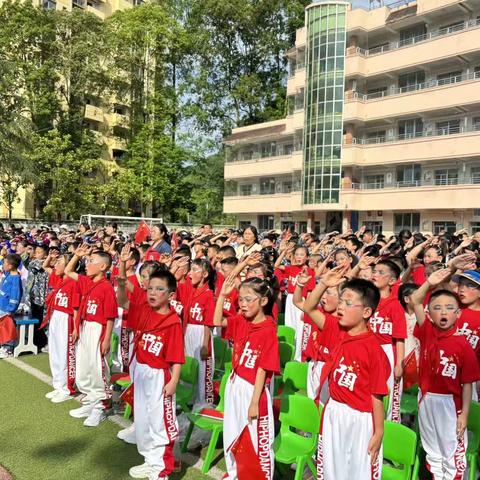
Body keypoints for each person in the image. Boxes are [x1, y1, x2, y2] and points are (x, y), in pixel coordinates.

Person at [316, 279, 390, 480]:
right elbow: (307, 306)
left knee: (360, 471)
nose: (340, 307)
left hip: (360, 419)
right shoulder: (339, 331)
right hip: (334, 411)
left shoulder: (372, 349)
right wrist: (324, 281)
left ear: (366, 312)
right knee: (332, 470)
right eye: (341, 301)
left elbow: (378, 393)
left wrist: (379, 431)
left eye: (348, 303)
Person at [411, 275, 480, 479]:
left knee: (452, 454)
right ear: (429, 313)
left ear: (458, 313)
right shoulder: (427, 332)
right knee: (432, 452)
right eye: (437, 307)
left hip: (451, 404)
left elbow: (467, 383)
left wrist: (464, 413)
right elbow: (415, 299)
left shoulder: (463, 344)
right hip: (426, 399)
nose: (443, 312)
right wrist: (430, 282)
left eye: (449, 308)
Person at [214, 276, 279, 480]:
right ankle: (235, 472)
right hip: (236, 382)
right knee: (233, 431)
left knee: (257, 439)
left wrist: (253, 402)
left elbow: (263, 369)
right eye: (240, 299)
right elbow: (216, 322)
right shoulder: (241, 319)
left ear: (263, 301)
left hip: (253, 390)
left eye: (248, 299)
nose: (243, 304)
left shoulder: (268, 329)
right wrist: (223, 295)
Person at [122, 270, 185, 480]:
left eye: (159, 289)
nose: (153, 293)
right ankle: (150, 461)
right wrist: (122, 284)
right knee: (143, 419)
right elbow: (123, 302)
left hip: (159, 376)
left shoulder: (173, 322)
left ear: (171, 295)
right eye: (150, 288)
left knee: (160, 423)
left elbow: (176, 357)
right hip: (142, 371)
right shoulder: (145, 311)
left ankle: (161, 469)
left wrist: (174, 381)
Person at [65, 244, 118, 427]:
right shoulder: (88, 282)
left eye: (91, 261)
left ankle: (102, 405)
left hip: (98, 329)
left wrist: (106, 339)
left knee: (97, 369)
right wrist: (77, 255)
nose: (87, 264)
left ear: (103, 266)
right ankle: (90, 401)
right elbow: (68, 270)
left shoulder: (107, 287)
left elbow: (111, 316)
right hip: (86, 326)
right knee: (84, 367)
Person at [370, 259, 406, 422]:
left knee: (390, 394)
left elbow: (399, 338)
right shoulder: (368, 301)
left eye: (380, 272)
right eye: (374, 271)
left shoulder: (395, 306)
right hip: (369, 350)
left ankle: (391, 432)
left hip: (387, 352)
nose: (375, 275)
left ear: (392, 280)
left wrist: (399, 364)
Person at [42, 252, 80, 402]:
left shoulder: (74, 282)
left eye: (59, 262)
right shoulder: (59, 278)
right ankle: (58, 385)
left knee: (65, 354)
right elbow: (45, 266)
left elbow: (76, 308)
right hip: (56, 316)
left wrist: (76, 327)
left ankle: (67, 389)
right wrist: (50, 257)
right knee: (55, 352)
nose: (55, 264)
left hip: (67, 319)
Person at [183, 258, 216, 405]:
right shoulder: (191, 290)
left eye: (195, 270)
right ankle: (189, 399)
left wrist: (205, 345)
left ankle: (204, 402)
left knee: (203, 369)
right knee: (189, 366)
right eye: (191, 270)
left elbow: (209, 322)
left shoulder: (209, 294)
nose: (190, 274)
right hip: (189, 331)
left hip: (201, 333)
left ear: (205, 274)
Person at [275, 244, 315, 361]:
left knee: (300, 328)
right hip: (290, 299)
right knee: (290, 325)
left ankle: (298, 357)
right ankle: (288, 355)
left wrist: (306, 308)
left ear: (307, 257)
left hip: (301, 301)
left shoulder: (310, 272)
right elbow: (276, 266)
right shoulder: (291, 268)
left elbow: (309, 292)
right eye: (297, 254)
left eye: (302, 255)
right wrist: (283, 252)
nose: (299, 257)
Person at [0, 254, 23, 358]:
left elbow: (15, 296)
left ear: (10, 266)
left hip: (7, 310)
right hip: (2, 307)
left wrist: (10, 309)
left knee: (7, 328)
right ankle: (3, 345)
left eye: (4, 263)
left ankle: (8, 349)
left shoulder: (15, 279)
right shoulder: (9, 274)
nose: (2, 265)